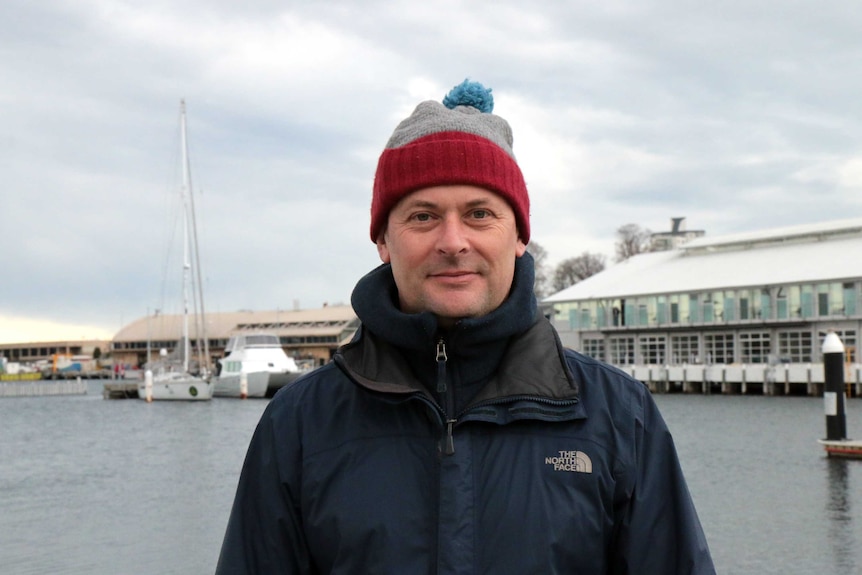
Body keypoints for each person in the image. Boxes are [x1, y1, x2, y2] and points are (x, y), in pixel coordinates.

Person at [216, 79, 715, 574]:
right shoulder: (299, 424)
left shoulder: (618, 418)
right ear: (384, 242)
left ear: (518, 236)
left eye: (479, 214)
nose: (453, 241)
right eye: (423, 216)